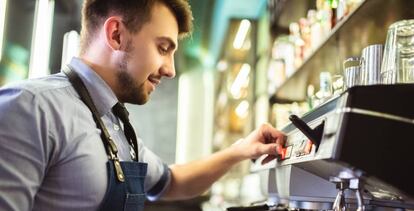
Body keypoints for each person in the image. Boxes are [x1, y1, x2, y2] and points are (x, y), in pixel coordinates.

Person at [0, 0, 286, 210]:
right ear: (116, 35)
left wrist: (241, 150)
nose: (171, 70)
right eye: (163, 48)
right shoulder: (30, 107)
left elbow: (172, 182)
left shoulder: (117, 126)